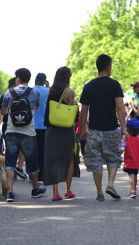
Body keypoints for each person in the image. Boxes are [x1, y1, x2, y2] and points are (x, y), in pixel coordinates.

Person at [80, 54, 127, 201]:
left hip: (94, 129)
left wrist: (82, 129)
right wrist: (124, 128)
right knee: (113, 157)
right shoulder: (114, 85)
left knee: (96, 161)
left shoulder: (88, 86)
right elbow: (120, 108)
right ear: (108, 67)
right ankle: (111, 184)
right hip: (111, 128)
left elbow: (84, 110)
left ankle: (99, 192)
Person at [0, 68, 46, 202]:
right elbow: (36, 108)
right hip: (28, 132)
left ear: (18, 78)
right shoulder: (34, 92)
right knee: (32, 162)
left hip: (11, 131)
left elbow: (3, 112)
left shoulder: (9, 92)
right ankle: (35, 189)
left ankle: (10, 193)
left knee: (10, 163)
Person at [43, 67, 80, 201]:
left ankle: (55, 192)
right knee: (68, 157)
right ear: (67, 77)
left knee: (54, 158)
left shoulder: (50, 91)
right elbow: (73, 113)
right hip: (66, 129)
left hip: (52, 129)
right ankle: (68, 190)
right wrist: (74, 103)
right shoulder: (69, 91)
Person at [34, 73, 49, 185]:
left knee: (33, 150)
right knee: (42, 150)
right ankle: (42, 174)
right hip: (44, 124)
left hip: (31, 124)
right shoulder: (48, 91)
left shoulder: (30, 90)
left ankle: (33, 172)